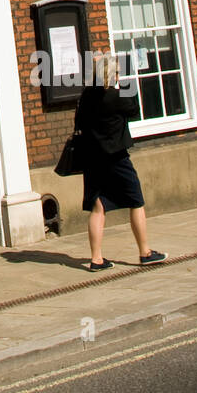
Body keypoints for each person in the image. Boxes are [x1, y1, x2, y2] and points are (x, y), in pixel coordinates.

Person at [75, 57, 166, 271]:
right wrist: (123, 76)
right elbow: (134, 108)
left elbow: (80, 119)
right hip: (116, 157)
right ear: (114, 76)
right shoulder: (116, 97)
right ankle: (145, 252)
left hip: (92, 160)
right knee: (136, 201)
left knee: (98, 208)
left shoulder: (87, 96)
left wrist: (98, 67)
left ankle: (96, 259)